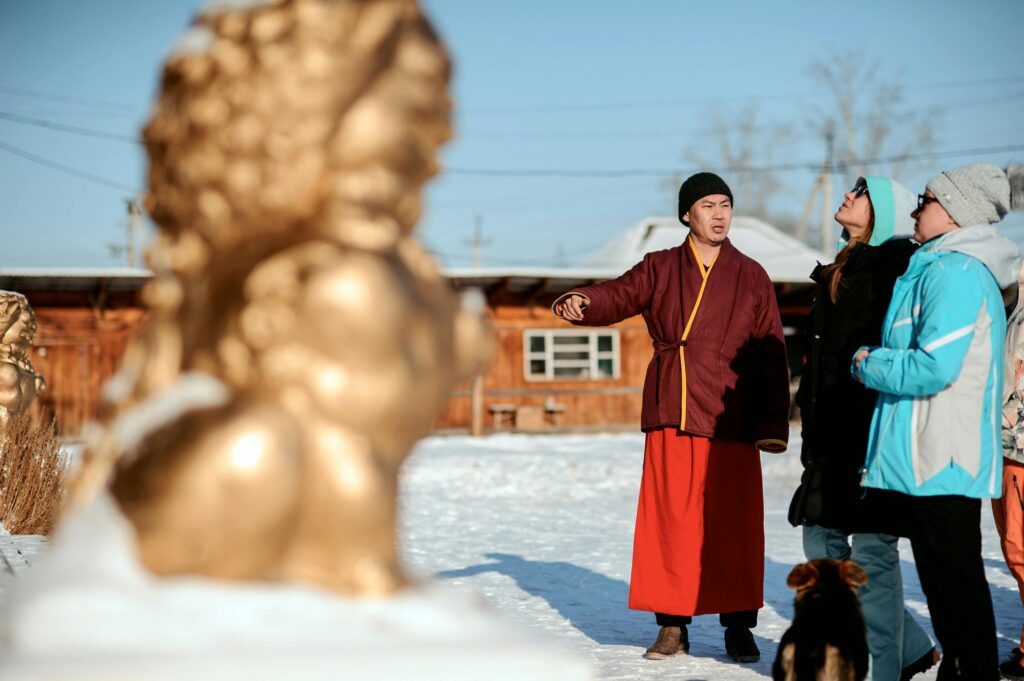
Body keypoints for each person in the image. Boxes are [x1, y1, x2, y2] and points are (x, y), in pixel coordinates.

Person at [552, 172, 790, 663]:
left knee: (734, 525)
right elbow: (618, 295)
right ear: (687, 214)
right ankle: (672, 625)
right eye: (708, 205)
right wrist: (586, 302)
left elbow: (771, 353)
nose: (720, 214)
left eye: (726, 204)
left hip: (732, 414)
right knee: (671, 522)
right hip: (674, 406)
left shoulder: (751, 275)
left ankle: (739, 624)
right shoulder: (659, 267)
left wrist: (771, 425)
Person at [853, 163, 1023, 680]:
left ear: (954, 212)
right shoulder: (939, 268)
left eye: (925, 200)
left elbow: (935, 366)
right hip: (928, 455)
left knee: (956, 591)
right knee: (950, 592)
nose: (914, 209)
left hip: (942, 457)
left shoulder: (956, 273)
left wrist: (867, 362)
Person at [787, 175, 938, 681]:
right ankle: (912, 645)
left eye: (862, 191)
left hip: (873, 431)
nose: (847, 195)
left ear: (885, 213)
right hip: (829, 434)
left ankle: (882, 669)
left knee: (872, 552)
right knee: (820, 541)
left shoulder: (892, 262)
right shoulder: (838, 266)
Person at [996, 244, 1024, 681]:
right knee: (1013, 547)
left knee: (1021, 549)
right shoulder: (1015, 305)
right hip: (1006, 444)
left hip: (1019, 446)